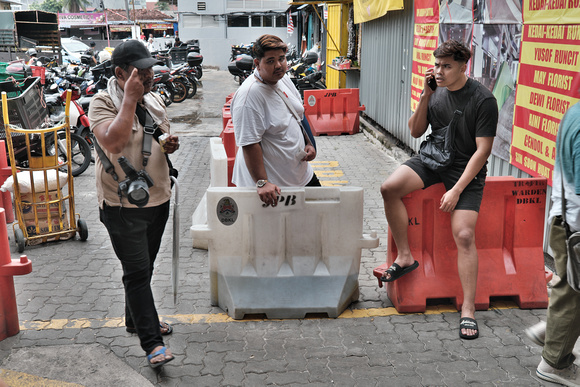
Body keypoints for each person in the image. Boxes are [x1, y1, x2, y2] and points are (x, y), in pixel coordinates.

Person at [380, 39, 498, 339]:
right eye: (437, 65)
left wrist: (457, 190)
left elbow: (483, 151)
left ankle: (468, 308)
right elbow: (416, 131)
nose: (439, 71)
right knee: (389, 187)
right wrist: (425, 96)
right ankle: (405, 257)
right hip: (434, 158)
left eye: (446, 66)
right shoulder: (435, 91)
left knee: (464, 234)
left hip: (465, 169)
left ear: (463, 66)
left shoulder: (483, 99)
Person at [88, 39, 180, 368]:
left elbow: (159, 139)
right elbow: (113, 142)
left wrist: (168, 145)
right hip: (121, 206)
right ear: (120, 73)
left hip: (157, 200)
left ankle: (134, 319)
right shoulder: (101, 103)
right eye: (139, 71)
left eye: (150, 69)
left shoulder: (154, 100)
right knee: (137, 273)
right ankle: (152, 344)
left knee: (145, 268)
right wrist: (129, 98)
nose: (148, 74)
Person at [525, 95, 580, 386]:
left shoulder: (575, 112)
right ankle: (554, 363)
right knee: (572, 293)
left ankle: (555, 331)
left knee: (569, 289)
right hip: (575, 226)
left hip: (564, 220)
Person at [231, 34, 319, 206]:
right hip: (274, 188)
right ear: (257, 63)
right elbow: (249, 143)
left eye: (282, 59)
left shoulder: (282, 79)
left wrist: (309, 143)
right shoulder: (250, 96)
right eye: (270, 61)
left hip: (300, 176)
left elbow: (297, 114)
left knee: (317, 223)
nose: (279, 65)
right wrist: (262, 183)